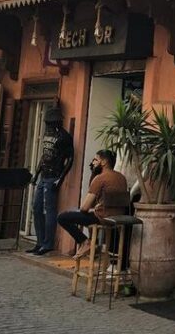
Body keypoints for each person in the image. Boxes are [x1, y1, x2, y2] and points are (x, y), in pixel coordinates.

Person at [57, 149, 129, 259]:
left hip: (103, 217)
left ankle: (85, 242)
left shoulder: (100, 178)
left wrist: (91, 210)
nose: (93, 163)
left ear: (104, 162)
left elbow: (84, 207)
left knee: (62, 217)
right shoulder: (121, 177)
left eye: (96, 160)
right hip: (119, 217)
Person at [28, 105, 74, 256]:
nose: (47, 125)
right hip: (43, 176)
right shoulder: (48, 134)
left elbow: (70, 159)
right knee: (36, 207)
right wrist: (36, 173)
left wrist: (60, 179)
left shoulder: (64, 137)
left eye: (50, 122)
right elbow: (44, 156)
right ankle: (40, 241)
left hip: (54, 176)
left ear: (57, 122)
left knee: (50, 210)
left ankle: (48, 243)